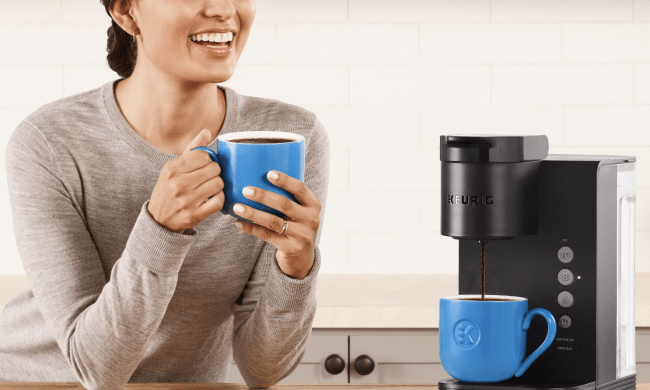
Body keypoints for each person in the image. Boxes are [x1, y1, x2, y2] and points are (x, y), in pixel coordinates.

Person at [0, 0, 329, 389]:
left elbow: (263, 371)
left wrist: (296, 266)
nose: (224, 9)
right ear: (125, 12)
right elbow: (97, 370)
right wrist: (161, 230)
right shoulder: (50, 142)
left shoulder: (288, 137)